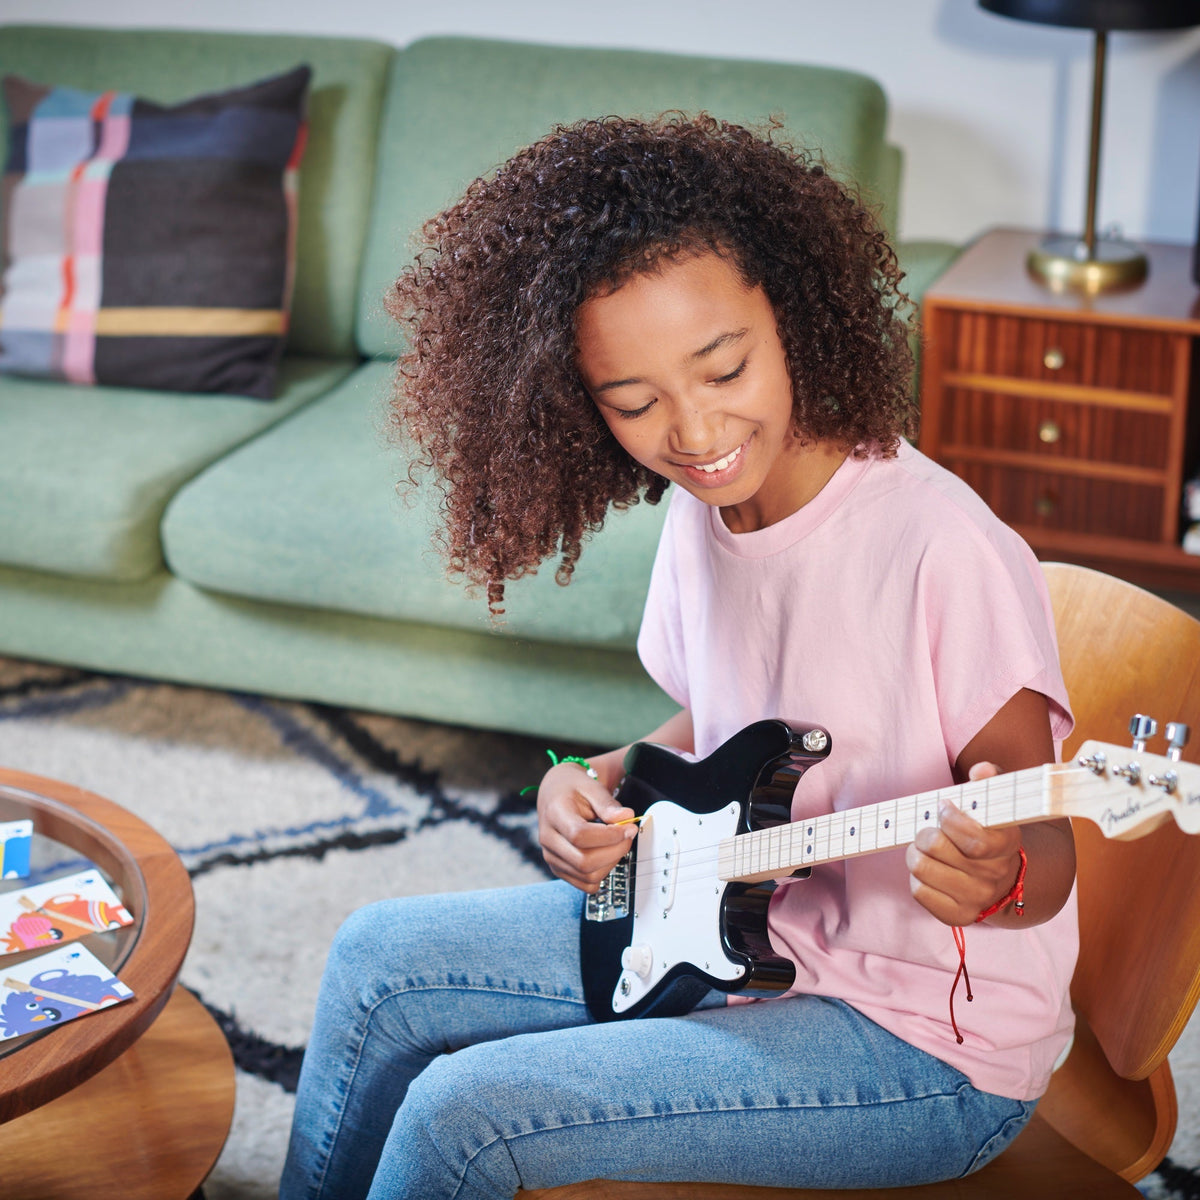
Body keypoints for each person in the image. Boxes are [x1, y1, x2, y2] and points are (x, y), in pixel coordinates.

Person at [279, 114, 1077, 1200]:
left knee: (466, 1114)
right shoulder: (706, 512)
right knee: (375, 962)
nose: (694, 433)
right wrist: (589, 783)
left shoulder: (946, 549)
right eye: (635, 402)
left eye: (722, 369)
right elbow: (716, 732)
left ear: (790, 313)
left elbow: (1046, 845)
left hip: (924, 1054)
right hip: (735, 936)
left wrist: (1002, 873)